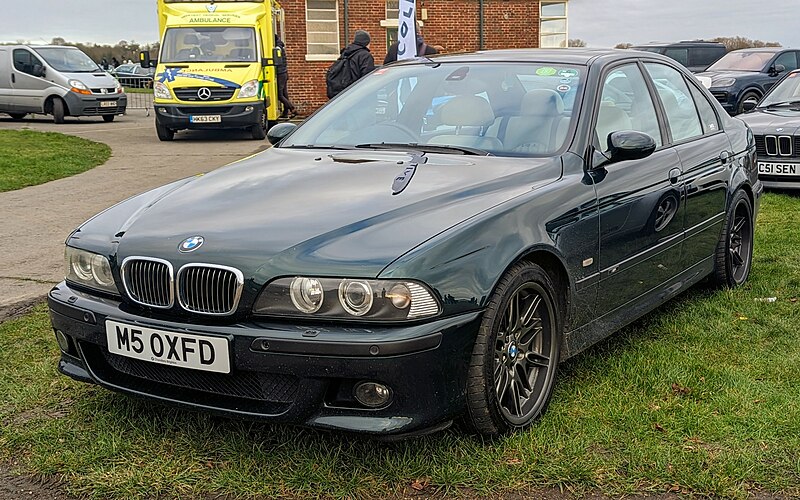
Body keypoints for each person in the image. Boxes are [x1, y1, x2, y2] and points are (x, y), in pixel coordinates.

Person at [326, 30, 375, 99]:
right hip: (356, 95)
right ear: (366, 42)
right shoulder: (365, 55)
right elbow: (368, 79)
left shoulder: (346, 53)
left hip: (342, 93)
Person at [275, 35, 297, 119]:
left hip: (281, 73)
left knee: (279, 95)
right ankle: (285, 112)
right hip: (284, 73)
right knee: (284, 93)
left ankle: (292, 109)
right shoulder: (280, 47)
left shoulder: (277, 48)